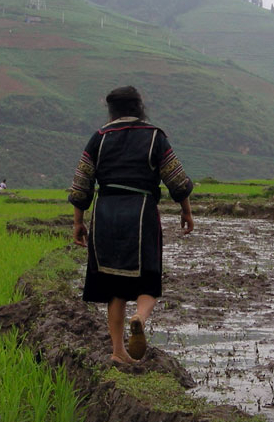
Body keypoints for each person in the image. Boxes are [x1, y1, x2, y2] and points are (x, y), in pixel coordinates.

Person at [69, 86, 194, 364]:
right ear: (139, 108)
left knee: (115, 287)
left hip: (105, 215)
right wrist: (186, 211)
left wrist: (78, 222)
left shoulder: (98, 139)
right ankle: (139, 317)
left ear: (111, 110)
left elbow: (81, 184)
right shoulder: (155, 137)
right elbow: (176, 179)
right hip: (141, 213)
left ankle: (118, 351)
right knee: (147, 280)